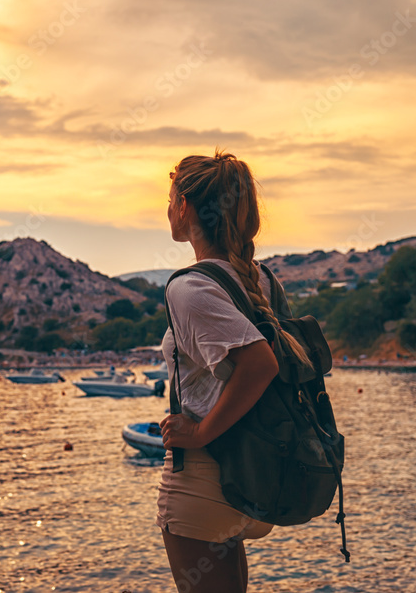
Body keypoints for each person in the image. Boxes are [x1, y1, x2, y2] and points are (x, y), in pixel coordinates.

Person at [157, 149, 312, 592]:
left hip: (206, 476)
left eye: (170, 199)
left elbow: (258, 363)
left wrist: (201, 433)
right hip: (250, 475)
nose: (167, 209)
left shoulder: (189, 288)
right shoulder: (259, 278)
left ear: (184, 207)